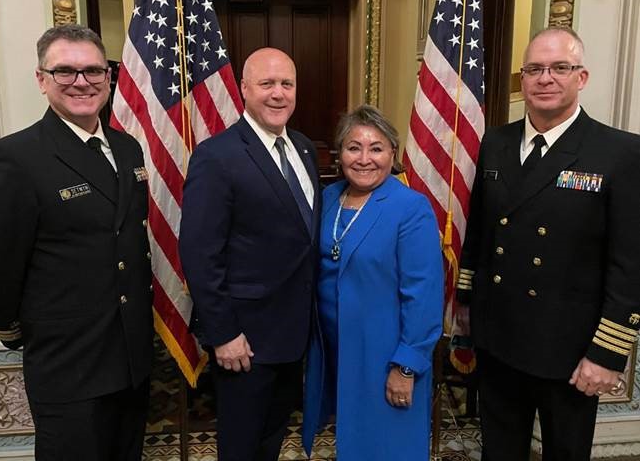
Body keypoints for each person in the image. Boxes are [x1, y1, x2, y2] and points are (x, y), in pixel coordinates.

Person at [457, 27, 640, 460]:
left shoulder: (619, 152)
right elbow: (480, 234)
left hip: (570, 350)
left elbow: (630, 266)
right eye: (535, 69)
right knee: (499, 450)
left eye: (560, 67)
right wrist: (466, 301)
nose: (545, 78)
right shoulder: (496, 143)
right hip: (498, 336)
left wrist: (607, 354)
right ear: (522, 79)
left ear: (582, 77)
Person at [0, 24, 153, 460]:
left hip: (130, 360)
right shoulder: (15, 158)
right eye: (65, 71)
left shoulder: (127, 149)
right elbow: (1, 266)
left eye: (93, 71)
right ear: (41, 80)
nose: (81, 82)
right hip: (69, 366)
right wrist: (16, 329)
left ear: (109, 77)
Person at [179, 47, 321, 461]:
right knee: (241, 446)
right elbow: (200, 255)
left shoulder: (304, 148)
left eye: (287, 84)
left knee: (273, 438)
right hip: (244, 341)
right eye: (267, 84)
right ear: (244, 89)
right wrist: (223, 334)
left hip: (294, 335)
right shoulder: (216, 156)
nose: (278, 94)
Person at [302, 105, 443, 460]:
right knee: (352, 441)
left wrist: (406, 365)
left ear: (392, 154)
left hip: (387, 355)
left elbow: (423, 295)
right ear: (340, 153)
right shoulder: (330, 198)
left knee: (389, 447)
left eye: (376, 148)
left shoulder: (411, 207)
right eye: (354, 147)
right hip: (336, 351)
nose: (364, 159)